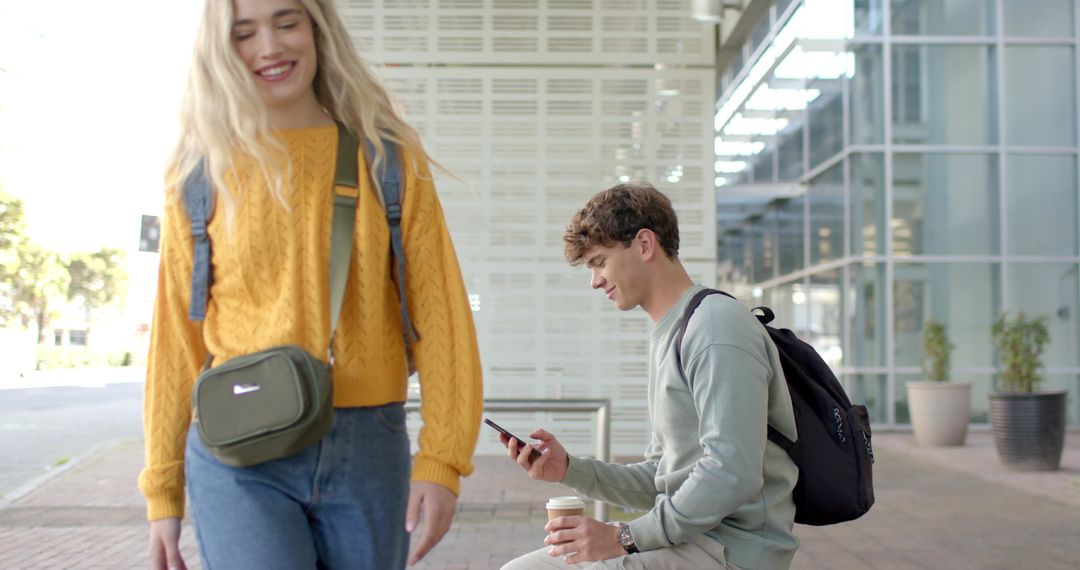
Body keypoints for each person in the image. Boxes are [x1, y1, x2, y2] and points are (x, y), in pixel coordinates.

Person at [139, 1, 483, 568]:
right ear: (221, 50)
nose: (270, 47)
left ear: (318, 28)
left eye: (287, 22)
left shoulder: (387, 156)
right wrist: (163, 490)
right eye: (244, 32)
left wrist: (442, 460)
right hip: (238, 453)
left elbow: (440, 314)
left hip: (368, 446)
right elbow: (176, 338)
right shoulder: (200, 172)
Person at [499, 182, 800, 570]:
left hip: (730, 552)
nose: (595, 280)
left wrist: (625, 537)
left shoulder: (714, 328)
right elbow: (662, 477)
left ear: (644, 245)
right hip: (692, 539)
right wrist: (570, 470)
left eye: (599, 262)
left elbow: (731, 471)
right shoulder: (673, 332)